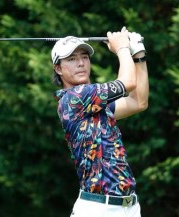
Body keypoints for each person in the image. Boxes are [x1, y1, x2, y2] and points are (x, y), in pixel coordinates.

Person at [51, 27, 149, 217]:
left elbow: (139, 102)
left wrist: (138, 54)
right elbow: (128, 82)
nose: (80, 63)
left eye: (84, 57)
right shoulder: (74, 98)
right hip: (98, 209)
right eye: (71, 59)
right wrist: (122, 48)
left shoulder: (95, 106)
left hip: (129, 207)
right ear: (58, 68)